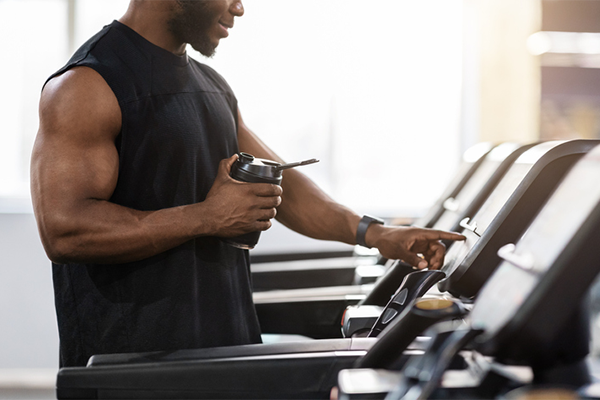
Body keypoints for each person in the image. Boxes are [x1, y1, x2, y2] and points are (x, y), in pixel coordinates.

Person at [31, 0, 465, 367]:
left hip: (222, 350)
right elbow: (66, 230)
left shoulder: (210, 86)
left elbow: (284, 183)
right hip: (133, 365)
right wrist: (206, 217)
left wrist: (377, 234)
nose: (239, 7)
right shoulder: (87, 85)